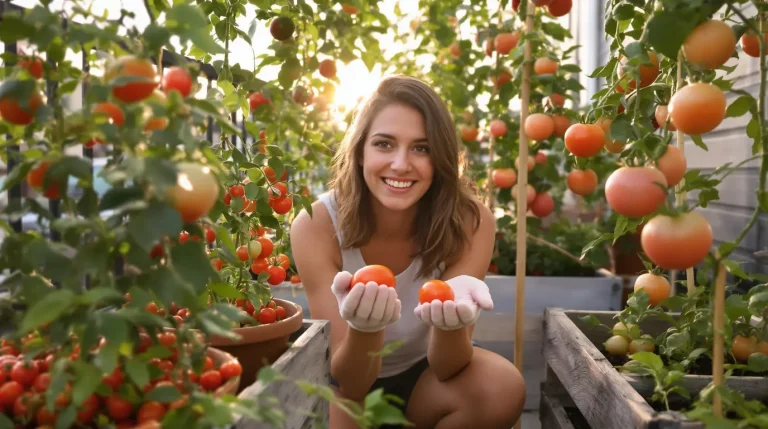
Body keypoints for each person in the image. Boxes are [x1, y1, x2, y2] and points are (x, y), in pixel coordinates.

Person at [290, 75, 525, 429]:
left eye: (421, 148)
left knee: (501, 388)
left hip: (426, 381)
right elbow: (349, 381)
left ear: (441, 157)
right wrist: (366, 328)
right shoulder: (317, 223)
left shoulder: (470, 222)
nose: (401, 164)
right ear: (360, 151)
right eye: (384, 144)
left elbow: (449, 366)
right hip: (345, 387)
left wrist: (450, 323)